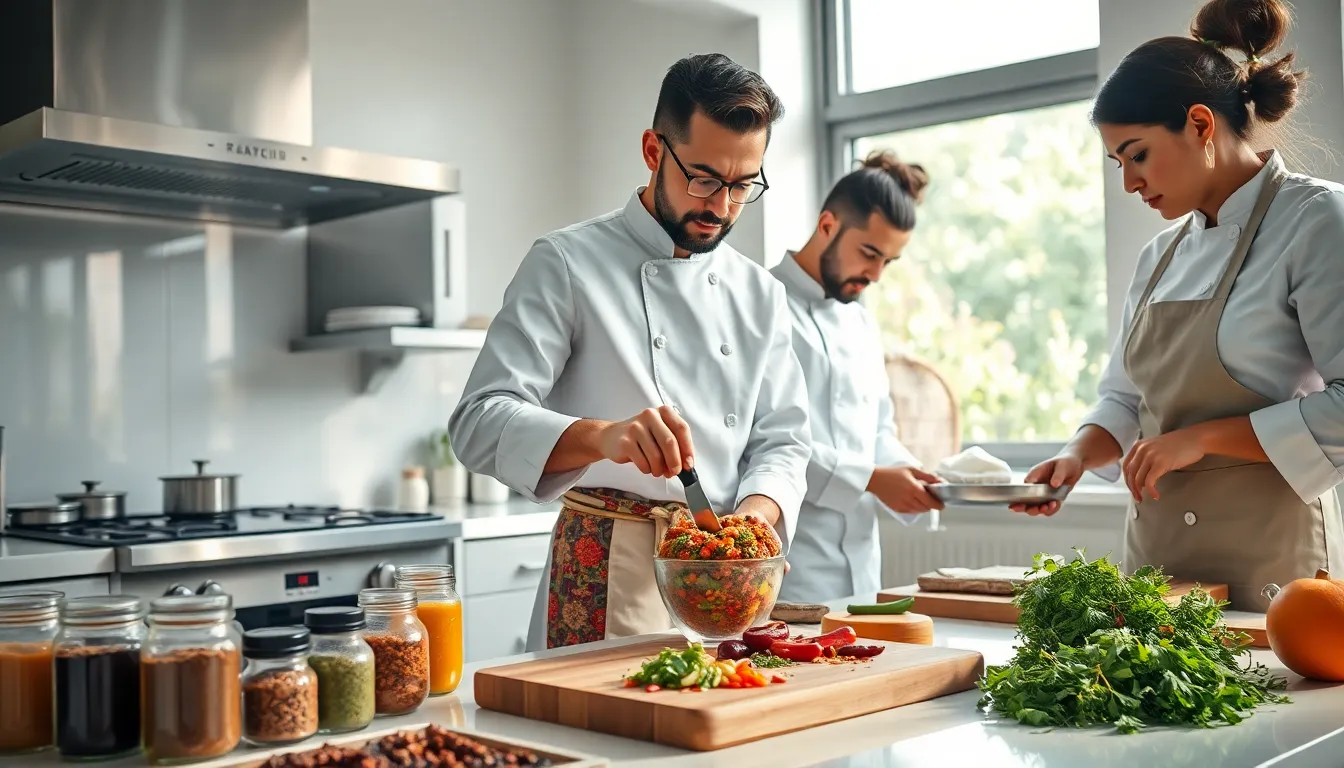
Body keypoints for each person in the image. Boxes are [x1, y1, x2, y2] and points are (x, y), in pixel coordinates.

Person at [447, 53, 811, 650]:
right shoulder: (566, 262)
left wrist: (755, 519)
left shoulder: (760, 293)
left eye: (743, 185)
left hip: (723, 583)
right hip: (605, 572)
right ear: (652, 150)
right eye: (703, 178)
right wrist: (602, 436)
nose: (721, 207)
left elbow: (784, 439)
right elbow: (478, 421)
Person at [1013, 0, 1344, 611]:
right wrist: (1076, 456)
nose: (1129, 183)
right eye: (1117, 163)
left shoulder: (1317, 219)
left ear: (1199, 124)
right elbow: (1125, 399)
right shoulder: (1159, 255)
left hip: (1276, 563)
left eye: (1137, 154)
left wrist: (1200, 439)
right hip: (1159, 560)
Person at [771, 150, 945, 603]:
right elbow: (763, 440)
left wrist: (909, 475)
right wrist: (869, 478)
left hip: (864, 567)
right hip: (792, 564)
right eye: (869, 253)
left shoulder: (860, 321)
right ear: (827, 225)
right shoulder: (763, 305)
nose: (876, 274)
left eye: (889, 261)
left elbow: (878, 431)